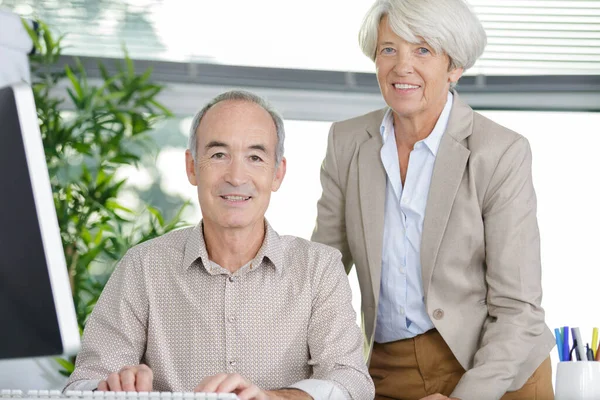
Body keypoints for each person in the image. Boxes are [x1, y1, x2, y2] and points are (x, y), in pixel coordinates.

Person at [311, 1, 555, 399]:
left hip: (499, 368)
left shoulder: (500, 152)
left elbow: (518, 307)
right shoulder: (347, 142)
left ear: (454, 67)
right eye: (389, 49)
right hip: (388, 368)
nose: (402, 66)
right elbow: (319, 274)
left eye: (422, 50)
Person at [65, 90, 375, 400]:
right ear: (192, 167)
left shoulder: (319, 268)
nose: (237, 177)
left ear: (277, 173)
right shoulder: (143, 266)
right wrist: (112, 389)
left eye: (255, 157)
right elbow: (80, 386)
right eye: (218, 155)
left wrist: (272, 399)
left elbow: (351, 383)